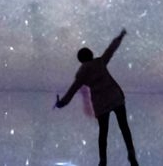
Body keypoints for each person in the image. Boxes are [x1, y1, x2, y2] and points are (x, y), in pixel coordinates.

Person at [55, 28, 140, 166]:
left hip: (101, 103)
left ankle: (103, 160)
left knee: (103, 132)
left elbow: (72, 90)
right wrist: (120, 36)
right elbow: (111, 49)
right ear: (91, 54)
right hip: (115, 97)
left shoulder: (81, 73)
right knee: (124, 126)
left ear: (80, 60)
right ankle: (131, 152)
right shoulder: (100, 62)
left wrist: (62, 103)